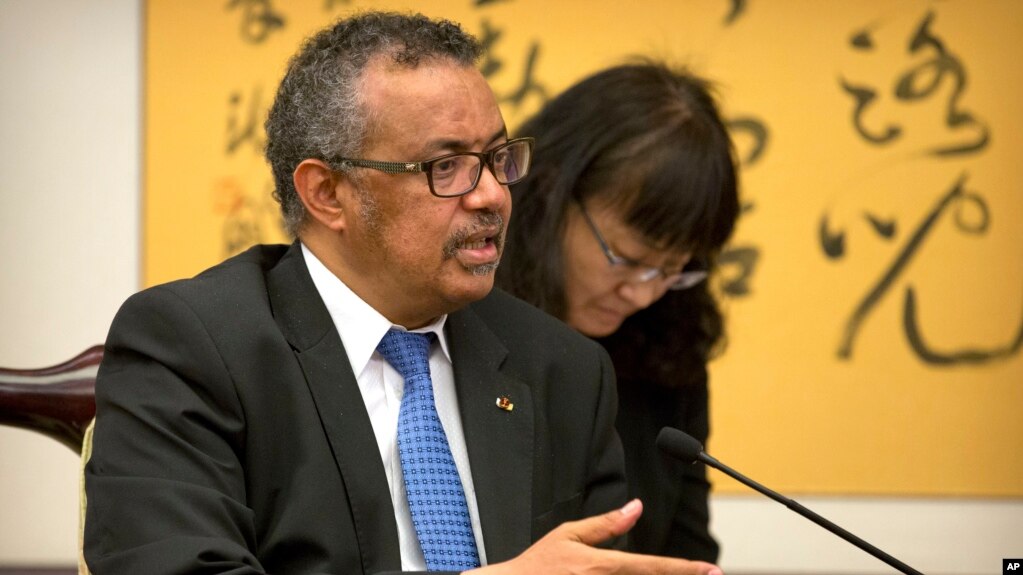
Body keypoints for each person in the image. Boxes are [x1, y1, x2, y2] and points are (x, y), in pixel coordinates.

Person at [83, 12, 723, 575]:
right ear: (327, 193)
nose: (493, 195)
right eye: (445, 166)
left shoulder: (563, 368)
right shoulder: (193, 348)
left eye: (498, 158)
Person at [497, 62, 740, 562]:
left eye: (673, 270)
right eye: (628, 259)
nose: (644, 295)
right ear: (552, 195)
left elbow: (684, 552)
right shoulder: (462, 330)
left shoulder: (667, 347)